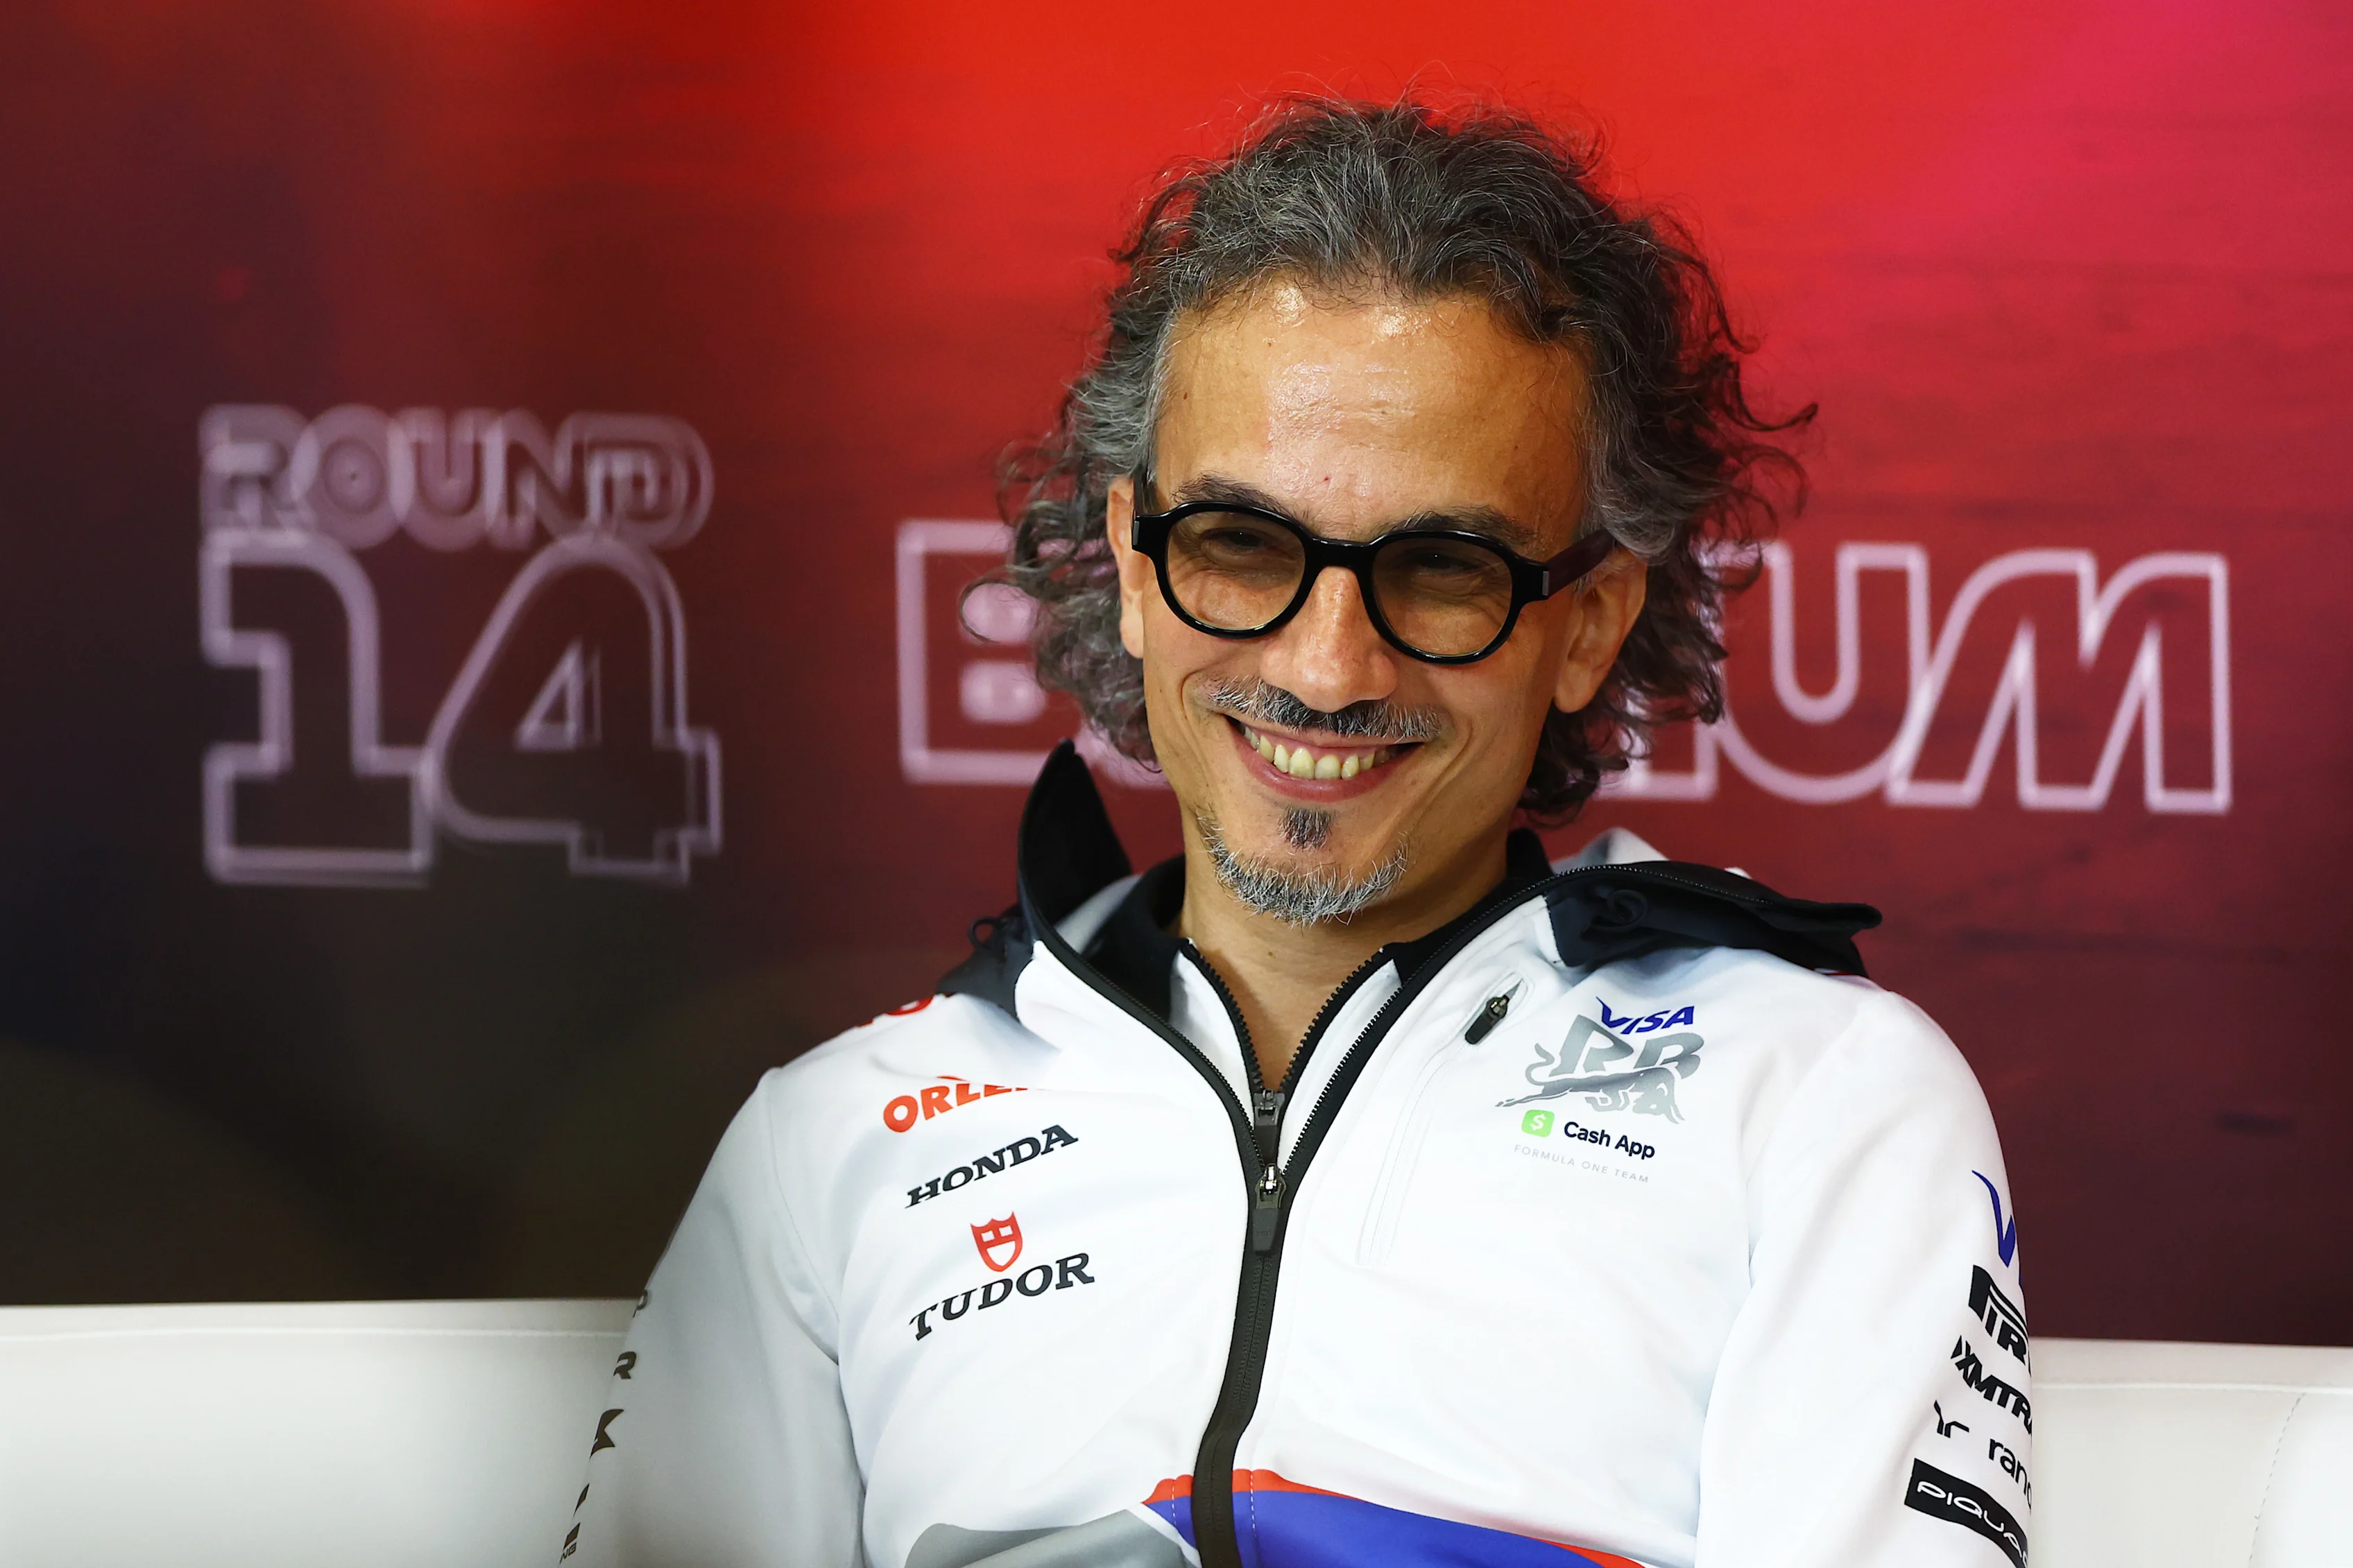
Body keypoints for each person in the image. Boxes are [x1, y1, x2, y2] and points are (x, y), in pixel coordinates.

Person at [562, 96, 2032, 1568]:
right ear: (1133, 566)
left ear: (1588, 623)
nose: (1328, 669)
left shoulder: (1820, 1100)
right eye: (1241, 545)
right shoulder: (829, 1143)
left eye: (1442, 568)